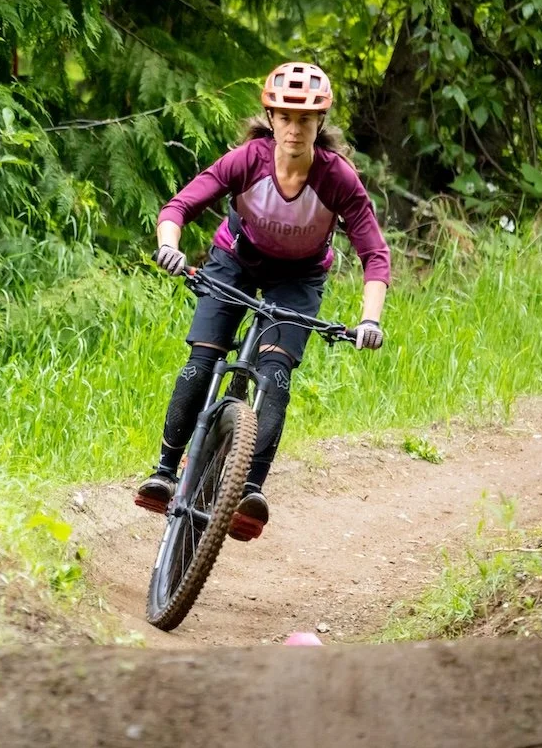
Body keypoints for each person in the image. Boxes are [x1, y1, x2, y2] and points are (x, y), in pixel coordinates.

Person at [135, 62, 390, 541]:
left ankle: (249, 489)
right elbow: (179, 207)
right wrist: (169, 244)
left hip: (298, 279)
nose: (295, 129)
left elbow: (374, 254)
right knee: (202, 359)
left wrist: (368, 320)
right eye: (285, 117)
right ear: (270, 118)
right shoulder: (247, 161)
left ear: (320, 125)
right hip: (235, 261)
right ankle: (165, 470)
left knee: (275, 377)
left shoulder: (338, 180)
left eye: (306, 120)